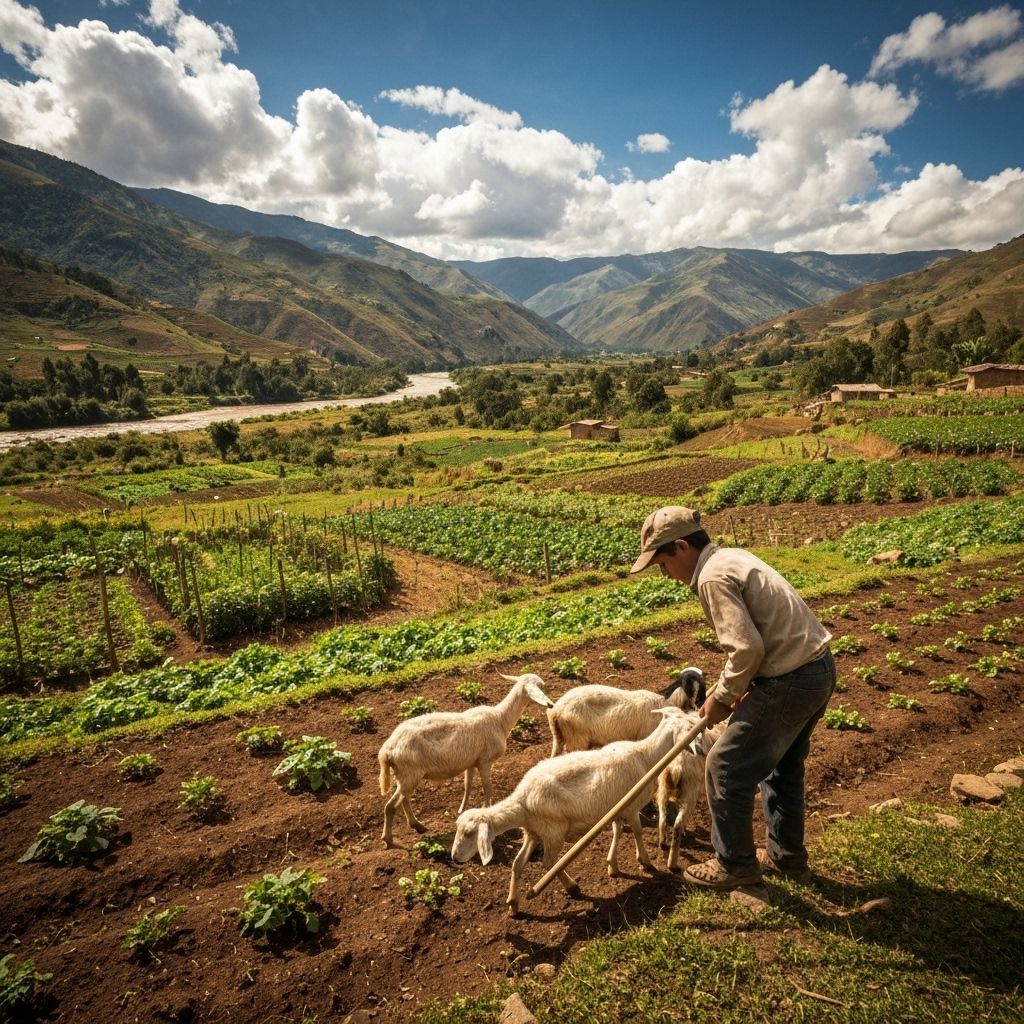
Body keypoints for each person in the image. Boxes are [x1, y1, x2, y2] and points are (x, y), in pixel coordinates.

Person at [630, 505, 835, 889]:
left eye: (662, 564)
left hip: (789, 678)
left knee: (723, 766)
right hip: (815, 669)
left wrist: (723, 696)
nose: (666, 575)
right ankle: (786, 858)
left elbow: (746, 649)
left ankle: (735, 867)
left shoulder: (711, 577)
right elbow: (760, 641)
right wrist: (742, 689)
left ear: (680, 548)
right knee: (782, 767)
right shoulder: (730, 558)